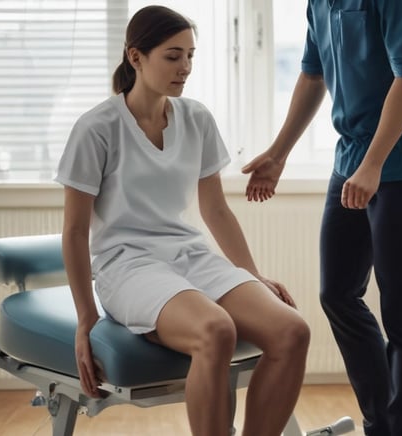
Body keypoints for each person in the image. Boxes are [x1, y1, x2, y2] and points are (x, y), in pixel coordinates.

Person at [55, 5, 310, 436]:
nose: (185, 67)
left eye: (191, 55)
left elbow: (215, 210)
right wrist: (85, 319)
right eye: (173, 56)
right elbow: (76, 231)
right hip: (128, 267)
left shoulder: (196, 118)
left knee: (292, 331)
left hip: (188, 255)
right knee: (215, 330)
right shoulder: (97, 128)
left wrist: (252, 275)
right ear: (135, 57)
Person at [243, 2, 402, 435]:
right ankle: (384, 420)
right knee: (337, 293)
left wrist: (373, 165)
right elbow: (313, 75)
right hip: (351, 159)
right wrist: (278, 154)